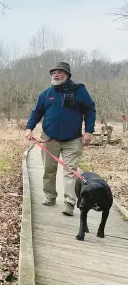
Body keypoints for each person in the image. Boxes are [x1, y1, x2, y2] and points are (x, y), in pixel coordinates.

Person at [24, 61, 96, 216]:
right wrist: (29, 128)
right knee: (49, 170)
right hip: (50, 138)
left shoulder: (79, 91)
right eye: (53, 72)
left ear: (67, 75)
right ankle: (50, 196)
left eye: (59, 72)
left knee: (70, 171)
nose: (56, 75)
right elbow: (36, 112)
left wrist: (89, 131)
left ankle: (70, 202)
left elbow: (90, 109)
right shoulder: (46, 94)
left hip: (73, 139)